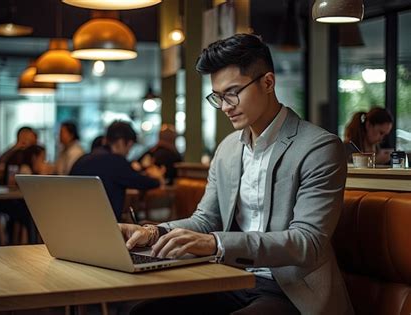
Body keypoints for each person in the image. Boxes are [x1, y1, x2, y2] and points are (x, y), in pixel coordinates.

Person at [120, 34, 353, 315]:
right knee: (143, 312)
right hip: (230, 278)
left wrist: (217, 244)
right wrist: (153, 233)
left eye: (232, 92)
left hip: (291, 290)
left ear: (268, 82)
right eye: (218, 97)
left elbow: (308, 242)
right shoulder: (229, 148)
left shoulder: (319, 147)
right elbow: (205, 220)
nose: (225, 106)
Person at [70, 121, 165, 221]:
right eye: (129, 146)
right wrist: (158, 179)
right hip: (105, 226)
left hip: (75, 220)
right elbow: (143, 182)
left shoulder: (83, 159)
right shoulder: (116, 161)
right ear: (121, 142)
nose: (128, 152)